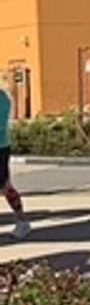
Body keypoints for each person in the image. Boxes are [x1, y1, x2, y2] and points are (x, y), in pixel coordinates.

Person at [0, 84, 31, 240]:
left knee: (5, 185)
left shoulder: (2, 99)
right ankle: (22, 221)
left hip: (0, 148)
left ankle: (22, 221)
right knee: (5, 186)